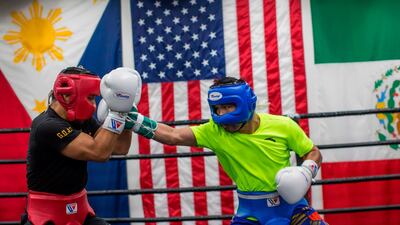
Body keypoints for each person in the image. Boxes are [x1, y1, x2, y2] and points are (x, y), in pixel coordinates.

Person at [127, 76, 328, 225]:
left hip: (293, 209)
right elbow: (173, 135)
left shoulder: (283, 126)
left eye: (228, 107)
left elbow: (313, 152)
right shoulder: (214, 131)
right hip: (250, 215)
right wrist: (134, 120)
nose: (222, 115)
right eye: (217, 109)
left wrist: (306, 171)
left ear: (246, 103)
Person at [23, 66, 142, 225]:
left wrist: (125, 114)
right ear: (66, 96)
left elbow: (120, 148)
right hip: (45, 218)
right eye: (90, 98)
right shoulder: (47, 126)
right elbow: (99, 153)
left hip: (81, 213)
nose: (94, 105)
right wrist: (117, 114)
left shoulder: (81, 120)